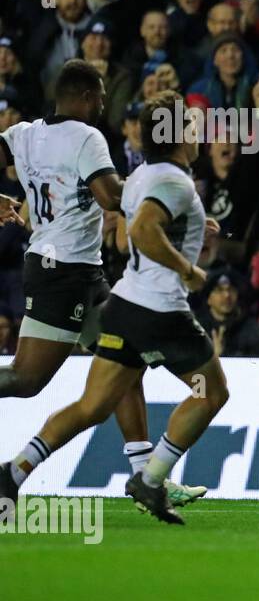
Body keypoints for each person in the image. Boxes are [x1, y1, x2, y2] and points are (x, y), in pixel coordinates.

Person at [4, 89, 227, 524]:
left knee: (93, 405)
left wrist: (190, 228)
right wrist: (188, 270)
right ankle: (152, 477)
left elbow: (138, 226)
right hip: (161, 312)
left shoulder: (143, 176)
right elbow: (142, 229)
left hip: (123, 304)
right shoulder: (175, 183)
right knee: (211, 392)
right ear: (179, 135)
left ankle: (12, 472)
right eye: (193, 128)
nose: (199, 135)